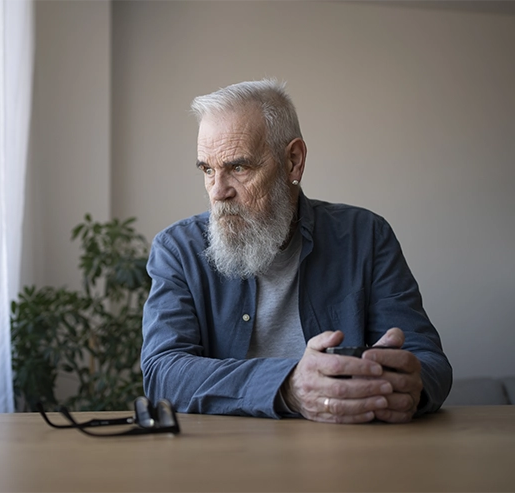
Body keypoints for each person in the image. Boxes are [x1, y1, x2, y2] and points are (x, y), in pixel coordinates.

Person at [140, 79, 452, 423]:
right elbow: (162, 372)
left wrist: (411, 384)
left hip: (347, 456)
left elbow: (428, 360)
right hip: (225, 458)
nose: (218, 191)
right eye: (208, 170)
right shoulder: (177, 249)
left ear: (293, 162)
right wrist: (288, 386)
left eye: (238, 167)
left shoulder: (366, 237)